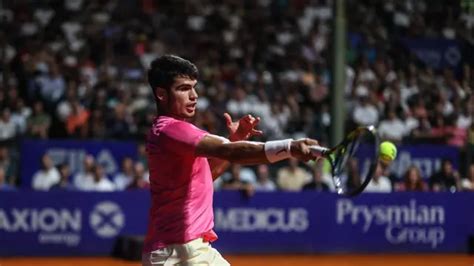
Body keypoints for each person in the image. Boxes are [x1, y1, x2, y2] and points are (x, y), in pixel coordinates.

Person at [142, 55, 319, 266]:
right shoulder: (170, 129)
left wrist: (235, 140)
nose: (194, 96)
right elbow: (229, 152)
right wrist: (289, 147)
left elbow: (209, 173)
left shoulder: (171, 133)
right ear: (161, 94)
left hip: (193, 250)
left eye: (194, 87)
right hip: (177, 254)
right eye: (184, 88)